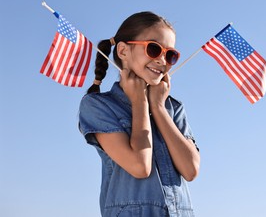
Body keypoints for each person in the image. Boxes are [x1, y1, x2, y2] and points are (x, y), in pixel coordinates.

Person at [78, 11, 200, 217]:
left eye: (170, 55)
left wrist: (159, 108)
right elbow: (140, 165)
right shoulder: (98, 106)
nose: (163, 61)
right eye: (154, 49)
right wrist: (139, 101)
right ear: (124, 51)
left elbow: (190, 170)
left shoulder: (174, 108)